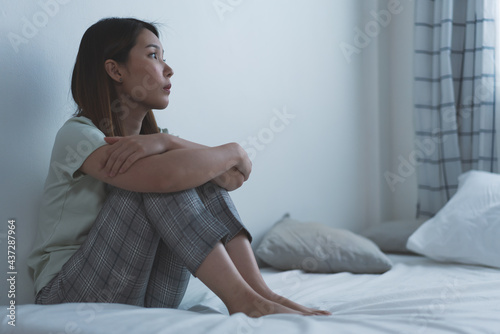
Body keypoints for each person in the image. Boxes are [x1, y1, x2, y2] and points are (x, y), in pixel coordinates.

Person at [27, 17, 330, 318]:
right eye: (153, 55)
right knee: (169, 177)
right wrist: (183, 147)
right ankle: (242, 300)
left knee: (197, 173)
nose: (168, 69)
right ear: (115, 70)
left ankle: (260, 293)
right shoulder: (78, 135)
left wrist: (169, 143)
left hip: (144, 292)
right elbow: (168, 177)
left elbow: (232, 175)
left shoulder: (159, 144)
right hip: (69, 294)